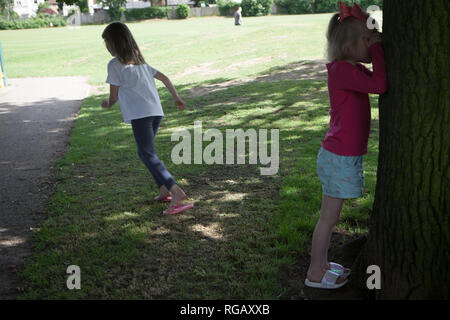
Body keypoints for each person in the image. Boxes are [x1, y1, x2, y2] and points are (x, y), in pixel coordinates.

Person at [305, 2, 386, 289]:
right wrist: (378, 48)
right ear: (351, 44)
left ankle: (323, 264)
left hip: (340, 154)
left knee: (331, 215)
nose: (373, 46)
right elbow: (381, 84)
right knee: (329, 218)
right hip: (338, 155)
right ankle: (316, 271)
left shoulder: (351, 69)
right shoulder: (341, 70)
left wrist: (373, 43)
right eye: (367, 40)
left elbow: (375, 82)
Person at [101, 22, 194, 215]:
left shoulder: (115, 65)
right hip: (155, 113)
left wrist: (108, 104)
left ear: (116, 43)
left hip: (141, 115)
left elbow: (114, 96)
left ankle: (176, 191)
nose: (107, 47)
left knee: (148, 154)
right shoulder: (140, 62)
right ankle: (164, 190)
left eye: (108, 43)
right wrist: (176, 98)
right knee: (145, 153)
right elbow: (165, 78)